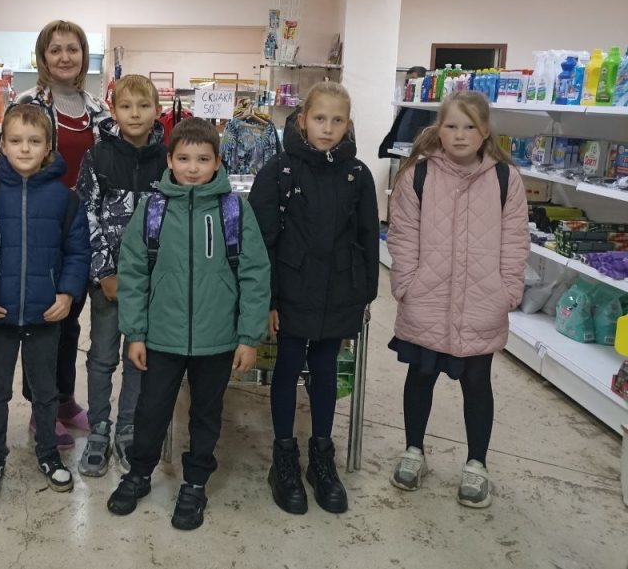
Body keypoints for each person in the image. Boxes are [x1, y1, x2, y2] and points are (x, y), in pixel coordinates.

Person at [106, 118, 269, 531]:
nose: (192, 168)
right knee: (151, 410)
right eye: (183, 159)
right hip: (162, 337)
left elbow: (254, 274)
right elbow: (134, 273)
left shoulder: (235, 211)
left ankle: (195, 482)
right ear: (169, 160)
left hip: (218, 339)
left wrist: (249, 337)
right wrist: (135, 333)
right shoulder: (153, 210)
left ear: (218, 162)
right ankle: (139, 472)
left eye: (202, 159)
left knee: (207, 413)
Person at [386, 91, 529, 508]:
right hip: (426, 300)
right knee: (420, 376)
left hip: (482, 303)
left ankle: (476, 463)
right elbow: (402, 234)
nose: (460, 135)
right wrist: (405, 283)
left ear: (485, 132)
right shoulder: (417, 175)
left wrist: (507, 291)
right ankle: (414, 450)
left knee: (477, 383)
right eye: (451, 126)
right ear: (439, 129)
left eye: (470, 126)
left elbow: (515, 241)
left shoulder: (505, 179)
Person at [249, 83, 379, 516]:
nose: (327, 128)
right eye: (320, 118)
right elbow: (262, 241)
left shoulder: (358, 175)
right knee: (287, 367)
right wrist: (268, 299)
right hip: (291, 290)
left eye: (337, 120)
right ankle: (284, 457)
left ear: (348, 125)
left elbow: (368, 237)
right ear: (303, 120)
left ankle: (322, 456)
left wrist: (366, 294)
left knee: (326, 370)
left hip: (339, 291)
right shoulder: (279, 171)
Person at [0, 104, 90, 499]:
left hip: (46, 315)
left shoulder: (65, 199)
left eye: (34, 141)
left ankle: (47, 452)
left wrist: (68, 293)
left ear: (48, 148)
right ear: (3, 146)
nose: (25, 148)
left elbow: (77, 252)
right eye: (16, 140)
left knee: (45, 390)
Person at [16, 19, 110, 445]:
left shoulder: (98, 108)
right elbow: (14, 162)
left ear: (84, 55)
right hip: (41, 225)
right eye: (55, 49)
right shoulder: (28, 104)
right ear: (43, 56)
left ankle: (65, 400)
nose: (65, 57)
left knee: (71, 319)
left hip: (83, 227)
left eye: (73, 49)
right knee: (44, 319)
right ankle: (42, 408)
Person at [75, 74, 167, 477]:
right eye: (126, 106)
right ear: (112, 110)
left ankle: (129, 427)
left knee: (138, 356)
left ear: (157, 111)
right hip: (108, 285)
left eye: (143, 106)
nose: (135, 114)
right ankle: (99, 427)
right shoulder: (98, 157)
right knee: (101, 356)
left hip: (152, 283)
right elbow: (86, 215)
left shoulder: (168, 160)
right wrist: (104, 272)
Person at [379, 66, 434, 158]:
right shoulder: (408, 104)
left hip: (418, 154)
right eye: (407, 81)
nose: (409, 84)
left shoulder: (429, 106)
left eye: (413, 79)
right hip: (401, 152)